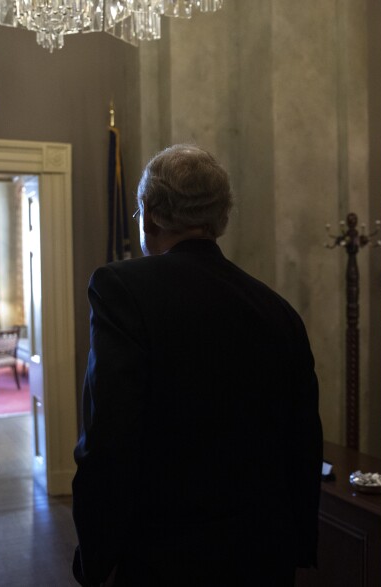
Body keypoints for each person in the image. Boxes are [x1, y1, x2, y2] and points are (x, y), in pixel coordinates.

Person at [72, 145, 323, 586]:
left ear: (149, 215)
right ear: (219, 219)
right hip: (263, 554)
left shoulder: (121, 289)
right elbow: (303, 443)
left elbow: (108, 439)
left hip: (162, 558)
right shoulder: (278, 310)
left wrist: (96, 558)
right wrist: (299, 547)